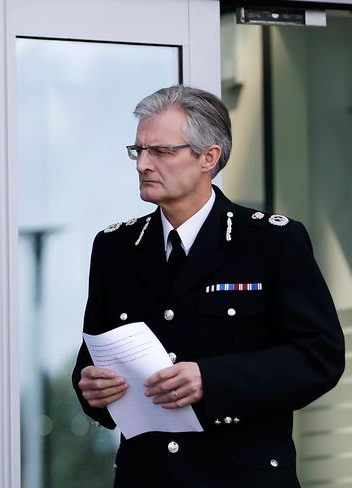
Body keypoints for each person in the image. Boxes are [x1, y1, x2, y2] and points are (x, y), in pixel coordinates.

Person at [72, 85, 345, 487]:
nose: (143, 164)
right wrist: (91, 389)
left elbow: (318, 357)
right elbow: (91, 357)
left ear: (209, 157)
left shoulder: (271, 242)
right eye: (138, 151)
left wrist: (212, 379)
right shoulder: (114, 248)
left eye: (161, 151)